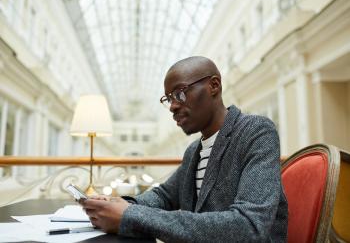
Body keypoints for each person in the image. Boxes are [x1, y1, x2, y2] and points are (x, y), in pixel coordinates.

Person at [80, 56, 288, 242]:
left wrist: (129, 215)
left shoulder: (256, 132)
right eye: (168, 99)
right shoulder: (193, 151)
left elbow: (249, 225)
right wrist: (118, 203)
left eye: (179, 94)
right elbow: (164, 196)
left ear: (213, 85)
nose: (172, 106)